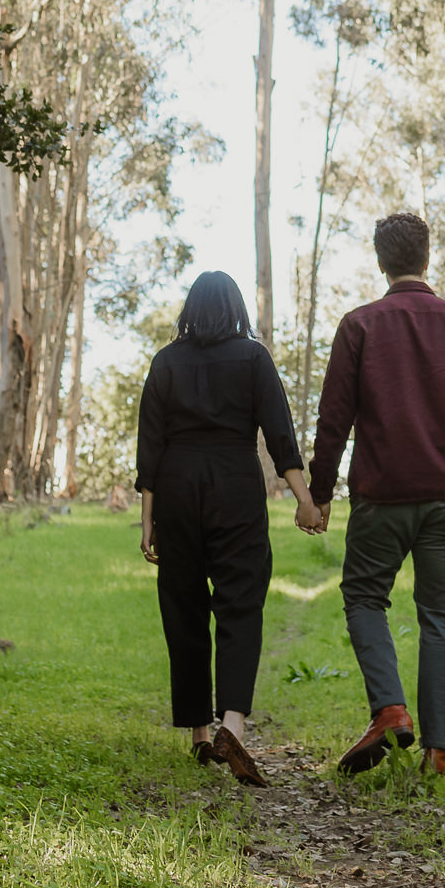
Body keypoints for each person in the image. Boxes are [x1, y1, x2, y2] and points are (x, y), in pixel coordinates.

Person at [306, 212, 445, 780]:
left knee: (365, 597)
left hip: (382, 494)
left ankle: (390, 710)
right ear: (427, 256)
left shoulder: (359, 325)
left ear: (380, 260)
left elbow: (333, 419)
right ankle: (437, 753)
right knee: (442, 617)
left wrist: (319, 494)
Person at [135, 269, 324, 787]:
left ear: (190, 310)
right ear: (236, 308)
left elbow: (149, 446)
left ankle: (199, 730)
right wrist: (304, 499)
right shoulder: (253, 357)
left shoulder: (166, 362)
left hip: (176, 485)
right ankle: (233, 723)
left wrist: (148, 518)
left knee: (184, 604)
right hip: (236, 485)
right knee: (241, 601)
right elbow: (279, 433)